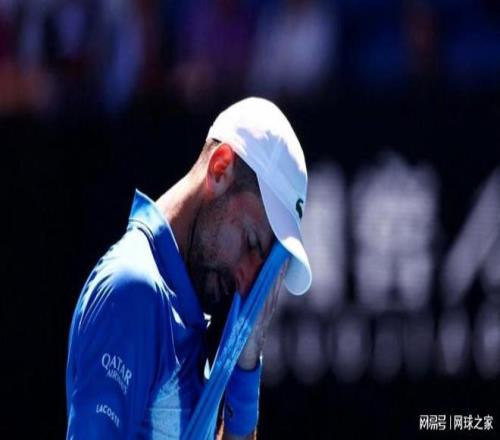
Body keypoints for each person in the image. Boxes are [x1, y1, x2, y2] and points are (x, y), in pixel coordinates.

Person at [65, 97, 312, 439]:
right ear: (220, 169)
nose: (246, 278)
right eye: (251, 241)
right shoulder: (133, 289)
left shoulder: (180, 304)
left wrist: (246, 362)